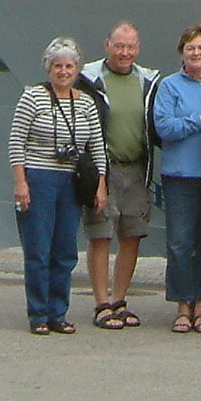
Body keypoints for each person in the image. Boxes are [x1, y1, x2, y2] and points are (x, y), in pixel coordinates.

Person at [9, 37, 109, 334]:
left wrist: (100, 184)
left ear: (77, 69)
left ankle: (58, 312)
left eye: (69, 66)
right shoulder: (32, 98)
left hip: (71, 181)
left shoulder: (86, 102)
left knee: (65, 251)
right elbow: (17, 141)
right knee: (38, 249)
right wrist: (20, 183)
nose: (64, 72)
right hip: (39, 177)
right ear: (48, 68)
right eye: (58, 66)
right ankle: (38, 314)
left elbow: (97, 146)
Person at [151, 24, 201, 333]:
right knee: (179, 243)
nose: (196, 53)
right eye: (191, 48)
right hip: (180, 176)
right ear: (181, 53)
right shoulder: (169, 86)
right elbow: (164, 128)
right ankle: (183, 305)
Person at [80, 22, 160, 329]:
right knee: (100, 234)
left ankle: (119, 300)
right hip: (104, 169)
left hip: (137, 168)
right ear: (107, 46)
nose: (125, 52)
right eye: (119, 46)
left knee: (132, 235)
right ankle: (101, 303)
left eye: (130, 47)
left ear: (138, 49)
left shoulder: (147, 81)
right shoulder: (89, 80)